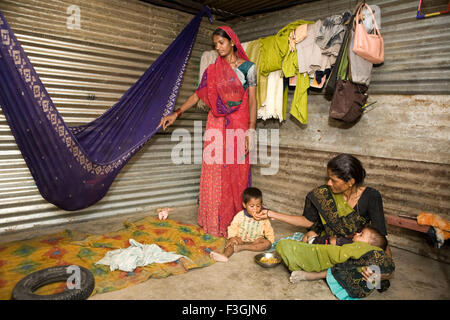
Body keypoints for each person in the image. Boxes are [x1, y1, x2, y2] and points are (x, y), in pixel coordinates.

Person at [159, 26, 257, 238]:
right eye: (215, 45)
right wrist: (176, 113)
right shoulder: (212, 70)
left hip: (239, 125)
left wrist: (251, 131)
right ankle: (215, 223)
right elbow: (198, 95)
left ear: (232, 42)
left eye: (221, 43)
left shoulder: (249, 68)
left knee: (236, 171)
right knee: (215, 172)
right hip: (216, 124)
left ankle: (236, 223)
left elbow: (253, 101)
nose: (218, 48)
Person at [256, 153, 393, 280]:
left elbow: (380, 237)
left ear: (350, 182)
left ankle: (318, 272)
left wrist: (387, 270)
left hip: (352, 250)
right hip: (328, 243)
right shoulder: (323, 194)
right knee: (286, 246)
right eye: (329, 178)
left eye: (333, 180)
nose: (328, 183)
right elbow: (307, 221)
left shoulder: (371, 197)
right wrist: (271, 213)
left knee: (361, 270)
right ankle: (327, 271)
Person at [275, 226, 395, 300]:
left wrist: (317, 250)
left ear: (369, 245)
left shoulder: (359, 248)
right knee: (347, 264)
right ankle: (308, 275)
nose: (357, 234)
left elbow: (337, 254)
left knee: (339, 262)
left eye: (361, 234)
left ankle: (308, 274)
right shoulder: (368, 254)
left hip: (357, 282)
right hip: (360, 290)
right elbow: (388, 268)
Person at [210, 187, 274, 262]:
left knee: (267, 243)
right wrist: (232, 237)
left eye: (258, 206)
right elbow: (233, 227)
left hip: (256, 241)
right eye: (252, 206)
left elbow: (269, 230)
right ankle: (225, 255)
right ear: (244, 205)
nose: (255, 209)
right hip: (240, 239)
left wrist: (271, 242)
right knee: (231, 243)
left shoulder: (263, 217)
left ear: (261, 205)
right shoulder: (240, 215)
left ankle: (243, 247)